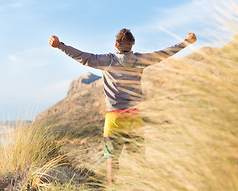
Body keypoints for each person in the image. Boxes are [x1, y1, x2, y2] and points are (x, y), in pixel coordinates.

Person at [49, 29, 197, 183]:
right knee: (139, 156)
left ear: (115, 44)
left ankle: (112, 189)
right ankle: (143, 189)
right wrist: (186, 42)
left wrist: (60, 45)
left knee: (111, 157)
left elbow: (82, 57)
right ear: (131, 46)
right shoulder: (141, 59)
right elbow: (164, 53)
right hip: (133, 115)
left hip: (114, 117)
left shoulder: (107, 60)